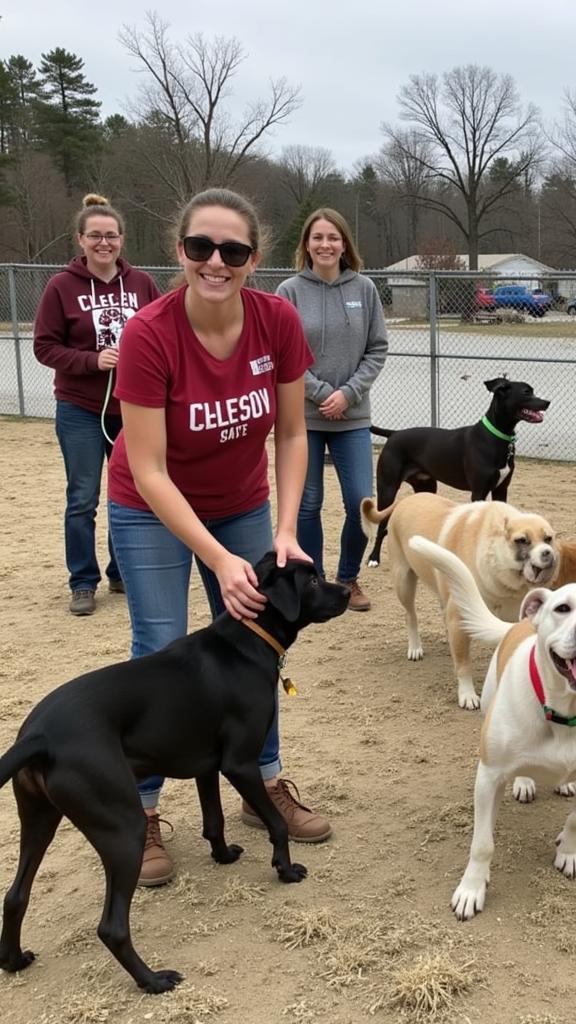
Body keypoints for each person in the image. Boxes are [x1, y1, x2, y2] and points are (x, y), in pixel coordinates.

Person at [106, 187, 332, 887]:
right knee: (161, 646)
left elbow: (293, 433)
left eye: (232, 251)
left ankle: (262, 786)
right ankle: (142, 812)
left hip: (240, 502)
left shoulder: (276, 321)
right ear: (180, 252)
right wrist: (219, 557)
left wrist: (287, 528)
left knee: (256, 648)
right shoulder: (151, 331)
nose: (215, 261)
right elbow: (147, 467)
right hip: (151, 507)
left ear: (253, 260)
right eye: (201, 247)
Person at [33, 193, 160, 616]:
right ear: (80, 240)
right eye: (95, 236)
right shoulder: (61, 287)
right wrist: (92, 360)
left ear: (122, 240)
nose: (103, 243)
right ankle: (83, 582)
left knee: (132, 494)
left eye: (111, 236)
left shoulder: (141, 284)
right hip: (81, 409)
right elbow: (45, 347)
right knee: (83, 497)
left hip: (132, 409)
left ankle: (121, 571)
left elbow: (163, 332)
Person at [276, 208, 388, 611]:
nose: (326, 245)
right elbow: (282, 353)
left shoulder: (365, 289)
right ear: (306, 244)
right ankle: (313, 582)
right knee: (307, 503)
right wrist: (322, 392)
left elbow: (377, 349)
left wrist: (348, 394)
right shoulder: (289, 292)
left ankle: (347, 578)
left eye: (333, 238)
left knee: (361, 502)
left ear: (345, 244)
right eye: (318, 238)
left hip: (352, 417)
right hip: (302, 418)